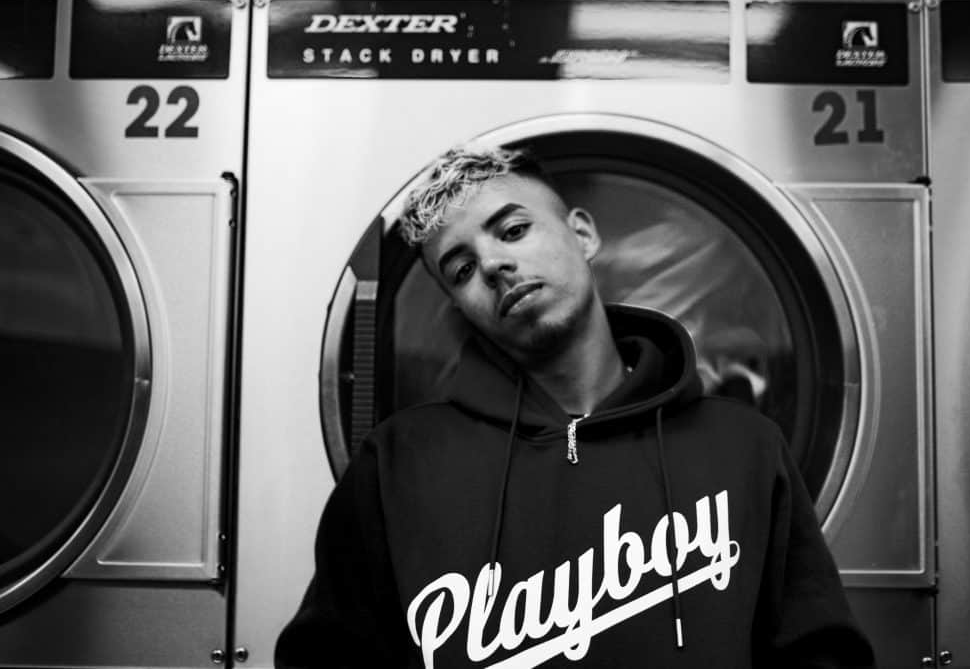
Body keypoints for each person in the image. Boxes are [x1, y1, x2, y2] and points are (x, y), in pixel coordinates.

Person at [275, 146, 875, 668]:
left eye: (513, 230)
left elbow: (820, 654)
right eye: (461, 269)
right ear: (460, 308)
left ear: (583, 235)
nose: (493, 265)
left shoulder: (744, 448)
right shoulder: (399, 464)